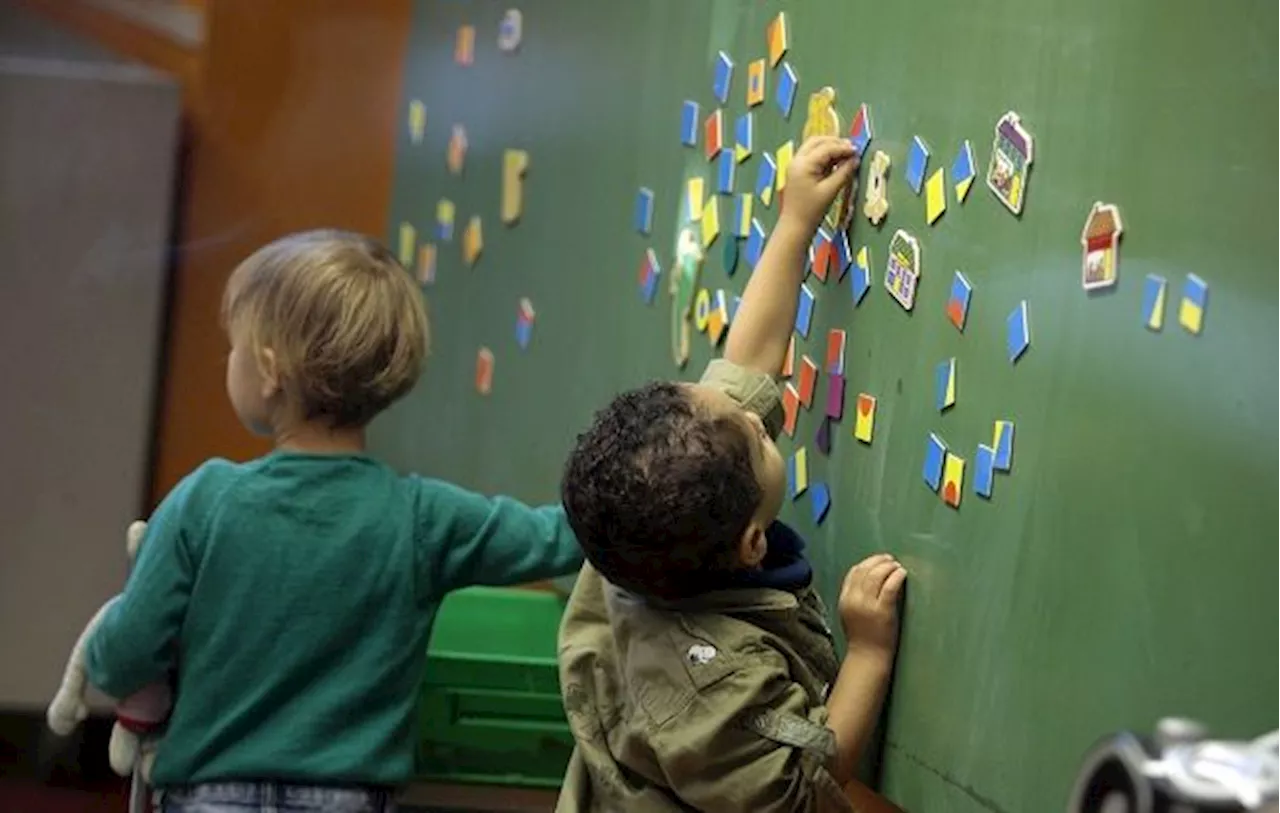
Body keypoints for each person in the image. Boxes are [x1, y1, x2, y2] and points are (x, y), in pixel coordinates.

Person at [84, 230, 583, 813]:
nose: (230, 360)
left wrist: (101, 647)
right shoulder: (421, 516)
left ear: (269, 369)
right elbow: (558, 538)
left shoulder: (203, 500)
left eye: (234, 347)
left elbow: (125, 656)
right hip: (351, 800)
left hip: (210, 796)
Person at [556, 136, 907, 812]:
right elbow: (805, 792)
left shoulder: (638, 535)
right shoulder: (714, 685)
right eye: (757, 435)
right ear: (750, 542)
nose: (757, 414)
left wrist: (795, 224)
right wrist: (867, 651)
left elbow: (744, 372)